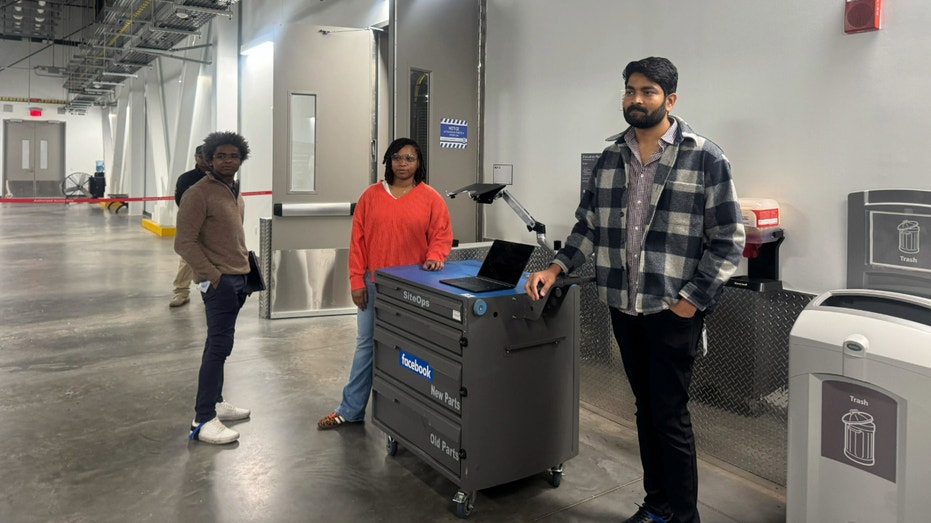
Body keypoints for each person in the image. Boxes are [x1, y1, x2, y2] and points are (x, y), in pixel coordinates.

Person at [524, 57, 745, 523]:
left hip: (672, 309)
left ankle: (684, 516)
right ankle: (658, 504)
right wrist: (556, 268)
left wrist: (692, 300)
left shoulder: (705, 156)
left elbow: (729, 239)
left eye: (647, 91)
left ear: (670, 99)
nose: (636, 99)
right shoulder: (609, 159)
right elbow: (588, 228)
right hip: (623, 307)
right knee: (647, 411)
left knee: (670, 416)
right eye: (630, 90)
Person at [317, 137, 453, 429]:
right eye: (396, 158)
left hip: (413, 289)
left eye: (409, 158)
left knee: (411, 350)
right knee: (366, 346)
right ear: (388, 161)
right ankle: (351, 409)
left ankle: (410, 415)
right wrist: (357, 280)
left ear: (419, 163)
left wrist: (435, 256)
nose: (402, 164)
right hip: (374, 284)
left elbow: (440, 235)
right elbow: (358, 243)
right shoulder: (371, 196)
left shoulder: (431, 199)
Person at [175, 131, 254, 445]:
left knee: (222, 346)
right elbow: (184, 243)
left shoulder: (231, 188)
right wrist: (212, 276)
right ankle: (203, 417)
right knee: (218, 347)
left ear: (240, 159)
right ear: (208, 159)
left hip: (238, 279)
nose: (227, 160)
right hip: (219, 282)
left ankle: (217, 401)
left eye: (233, 156)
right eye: (220, 155)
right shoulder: (199, 193)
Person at [169, 145, 210, 307]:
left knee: (212, 259)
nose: (205, 161)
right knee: (187, 258)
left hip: (214, 225)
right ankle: (181, 291)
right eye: (202, 157)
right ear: (196, 158)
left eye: (208, 158)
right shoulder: (186, 179)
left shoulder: (220, 177)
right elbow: (180, 201)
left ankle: (207, 291)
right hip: (192, 224)